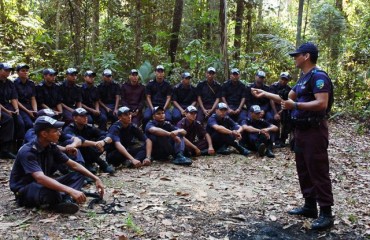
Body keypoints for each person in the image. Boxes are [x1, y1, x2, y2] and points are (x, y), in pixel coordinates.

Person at [251, 42, 334, 230]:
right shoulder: (303, 78)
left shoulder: (319, 76)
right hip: (301, 131)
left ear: (306, 56)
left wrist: (295, 106)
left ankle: (326, 213)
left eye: (297, 55)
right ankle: (309, 206)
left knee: (318, 169)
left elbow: (321, 103)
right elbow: (287, 99)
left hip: (314, 130)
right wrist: (265, 93)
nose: (294, 58)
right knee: (303, 168)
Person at [9, 116, 105, 214]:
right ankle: (62, 199)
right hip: (25, 188)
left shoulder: (51, 146)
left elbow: (73, 165)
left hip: (42, 183)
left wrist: (96, 178)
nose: (59, 133)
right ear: (44, 134)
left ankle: (64, 198)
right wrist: (70, 190)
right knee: (52, 193)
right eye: (55, 131)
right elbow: (40, 178)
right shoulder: (27, 151)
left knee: (79, 174)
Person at [63, 108, 115, 174]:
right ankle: (100, 163)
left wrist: (103, 142)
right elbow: (79, 141)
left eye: (86, 116)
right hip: (76, 154)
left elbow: (107, 135)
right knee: (83, 144)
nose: (85, 118)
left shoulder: (89, 127)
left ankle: (90, 163)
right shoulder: (69, 129)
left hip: (90, 152)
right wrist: (95, 144)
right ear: (75, 118)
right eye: (82, 116)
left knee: (103, 138)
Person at [0, 63, 25, 143]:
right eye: (6, 70)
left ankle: (18, 143)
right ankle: (6, 146)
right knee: (8, 119)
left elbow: (14, 98)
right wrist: (7, 111)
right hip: (1, 108)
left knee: (19, 121)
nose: (8, 72)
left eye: (9, 70)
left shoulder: (10, 83)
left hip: (8, 105)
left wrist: (16, 109)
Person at [269, 72, 293, 148]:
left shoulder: (289, 89)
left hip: (284, 108)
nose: (283, 81)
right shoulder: (273, 86)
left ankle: (282, 140)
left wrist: (281, 111)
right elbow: (271, 99)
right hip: (274, 107)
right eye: (282, 79)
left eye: (285, 80)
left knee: (287, 120)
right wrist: (276, 112)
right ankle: (275, 140)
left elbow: (288, 101)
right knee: (273, 119)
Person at [14, 64, 38, 131]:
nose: (25, 72)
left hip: (30, 106)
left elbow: (33, 98)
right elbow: (15, 100)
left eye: (27, 70)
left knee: (42, 121)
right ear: (18, 72)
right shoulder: (14, 83)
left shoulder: (31, 83)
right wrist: (28, 111)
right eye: (23, 71)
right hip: (20, 108)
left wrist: (35, 110)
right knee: (29, 124)